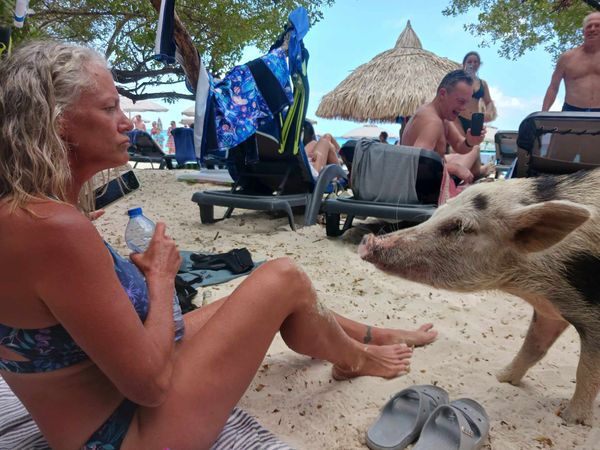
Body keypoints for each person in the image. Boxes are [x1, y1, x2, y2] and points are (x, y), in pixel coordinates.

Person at [0, 41, 437, 450]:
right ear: (60, 123)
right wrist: (160, 278)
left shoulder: (25, 214)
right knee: (281, 277)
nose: (127, 122)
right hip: (126, 433)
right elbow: (150, 385)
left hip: (104, 401)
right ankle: (359, 358)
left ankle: (366, 337)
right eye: (110, 107)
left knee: (264, 294)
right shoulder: (52, 227)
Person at [401, 69, 486, 184]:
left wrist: (470, 141)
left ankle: (474, 176)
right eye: (461, 101)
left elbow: (459, 145)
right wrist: (454, 168)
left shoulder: (440, 114)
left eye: (467, 102)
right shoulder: (433, 122)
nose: (464, 108)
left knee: (474, 148)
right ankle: (472, 180)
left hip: (434, 170)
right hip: (423, 187)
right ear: (442, 94)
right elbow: (416, 162)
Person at [542, 12, 600, 111]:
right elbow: (553, 87)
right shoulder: (567, 57)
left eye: (597, 25)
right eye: (589, 26)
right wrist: (543, 113)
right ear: (583, 31)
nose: (592, 29)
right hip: (572, 110)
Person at [455, 51, 497, 134]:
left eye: (475, 62)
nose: (472, 64)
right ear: (464, 64)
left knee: (474, 145)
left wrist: (487, 113)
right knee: (459, 142)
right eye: (469, 62)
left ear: (479, 64)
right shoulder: (458, 79)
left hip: (475, 121)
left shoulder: (483, 83)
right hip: (458, 117)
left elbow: (488, 102)